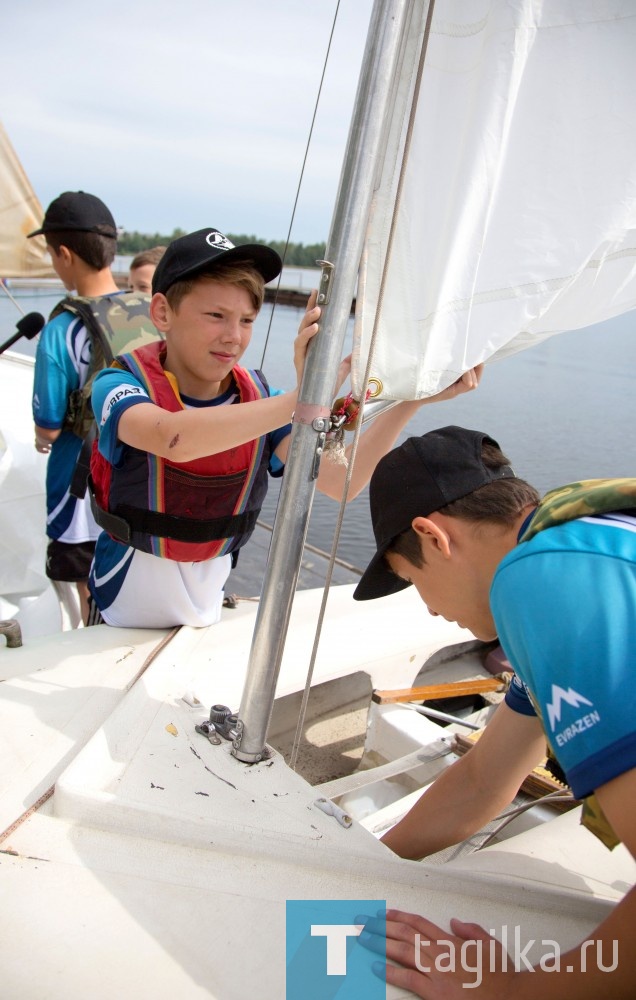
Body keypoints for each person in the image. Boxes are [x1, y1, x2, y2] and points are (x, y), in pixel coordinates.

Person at [353, 425, 636, 998]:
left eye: (411, 583)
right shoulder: (588, 549)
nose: (431, 611)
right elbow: (484, 779)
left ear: (433, 537)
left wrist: (507, 990)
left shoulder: (539, 580)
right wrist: (359, 866)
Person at [86, 227, 482, 629]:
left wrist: (409, 398)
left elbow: (339, 480)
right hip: (120, 614)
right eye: (216, 316)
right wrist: (303, 399)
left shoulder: (260, 401)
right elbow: (172, 438)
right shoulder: (119, 386)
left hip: (202, 616)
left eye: (246, 320)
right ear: (162, 313)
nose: (233, 336)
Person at [28, 191, 157, 625]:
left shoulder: (63, 328)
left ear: (64, 254)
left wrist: (42, 437)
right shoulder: (150, 311)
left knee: (84, 586)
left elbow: (47, 426)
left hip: (80, 486)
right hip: (140, 478)